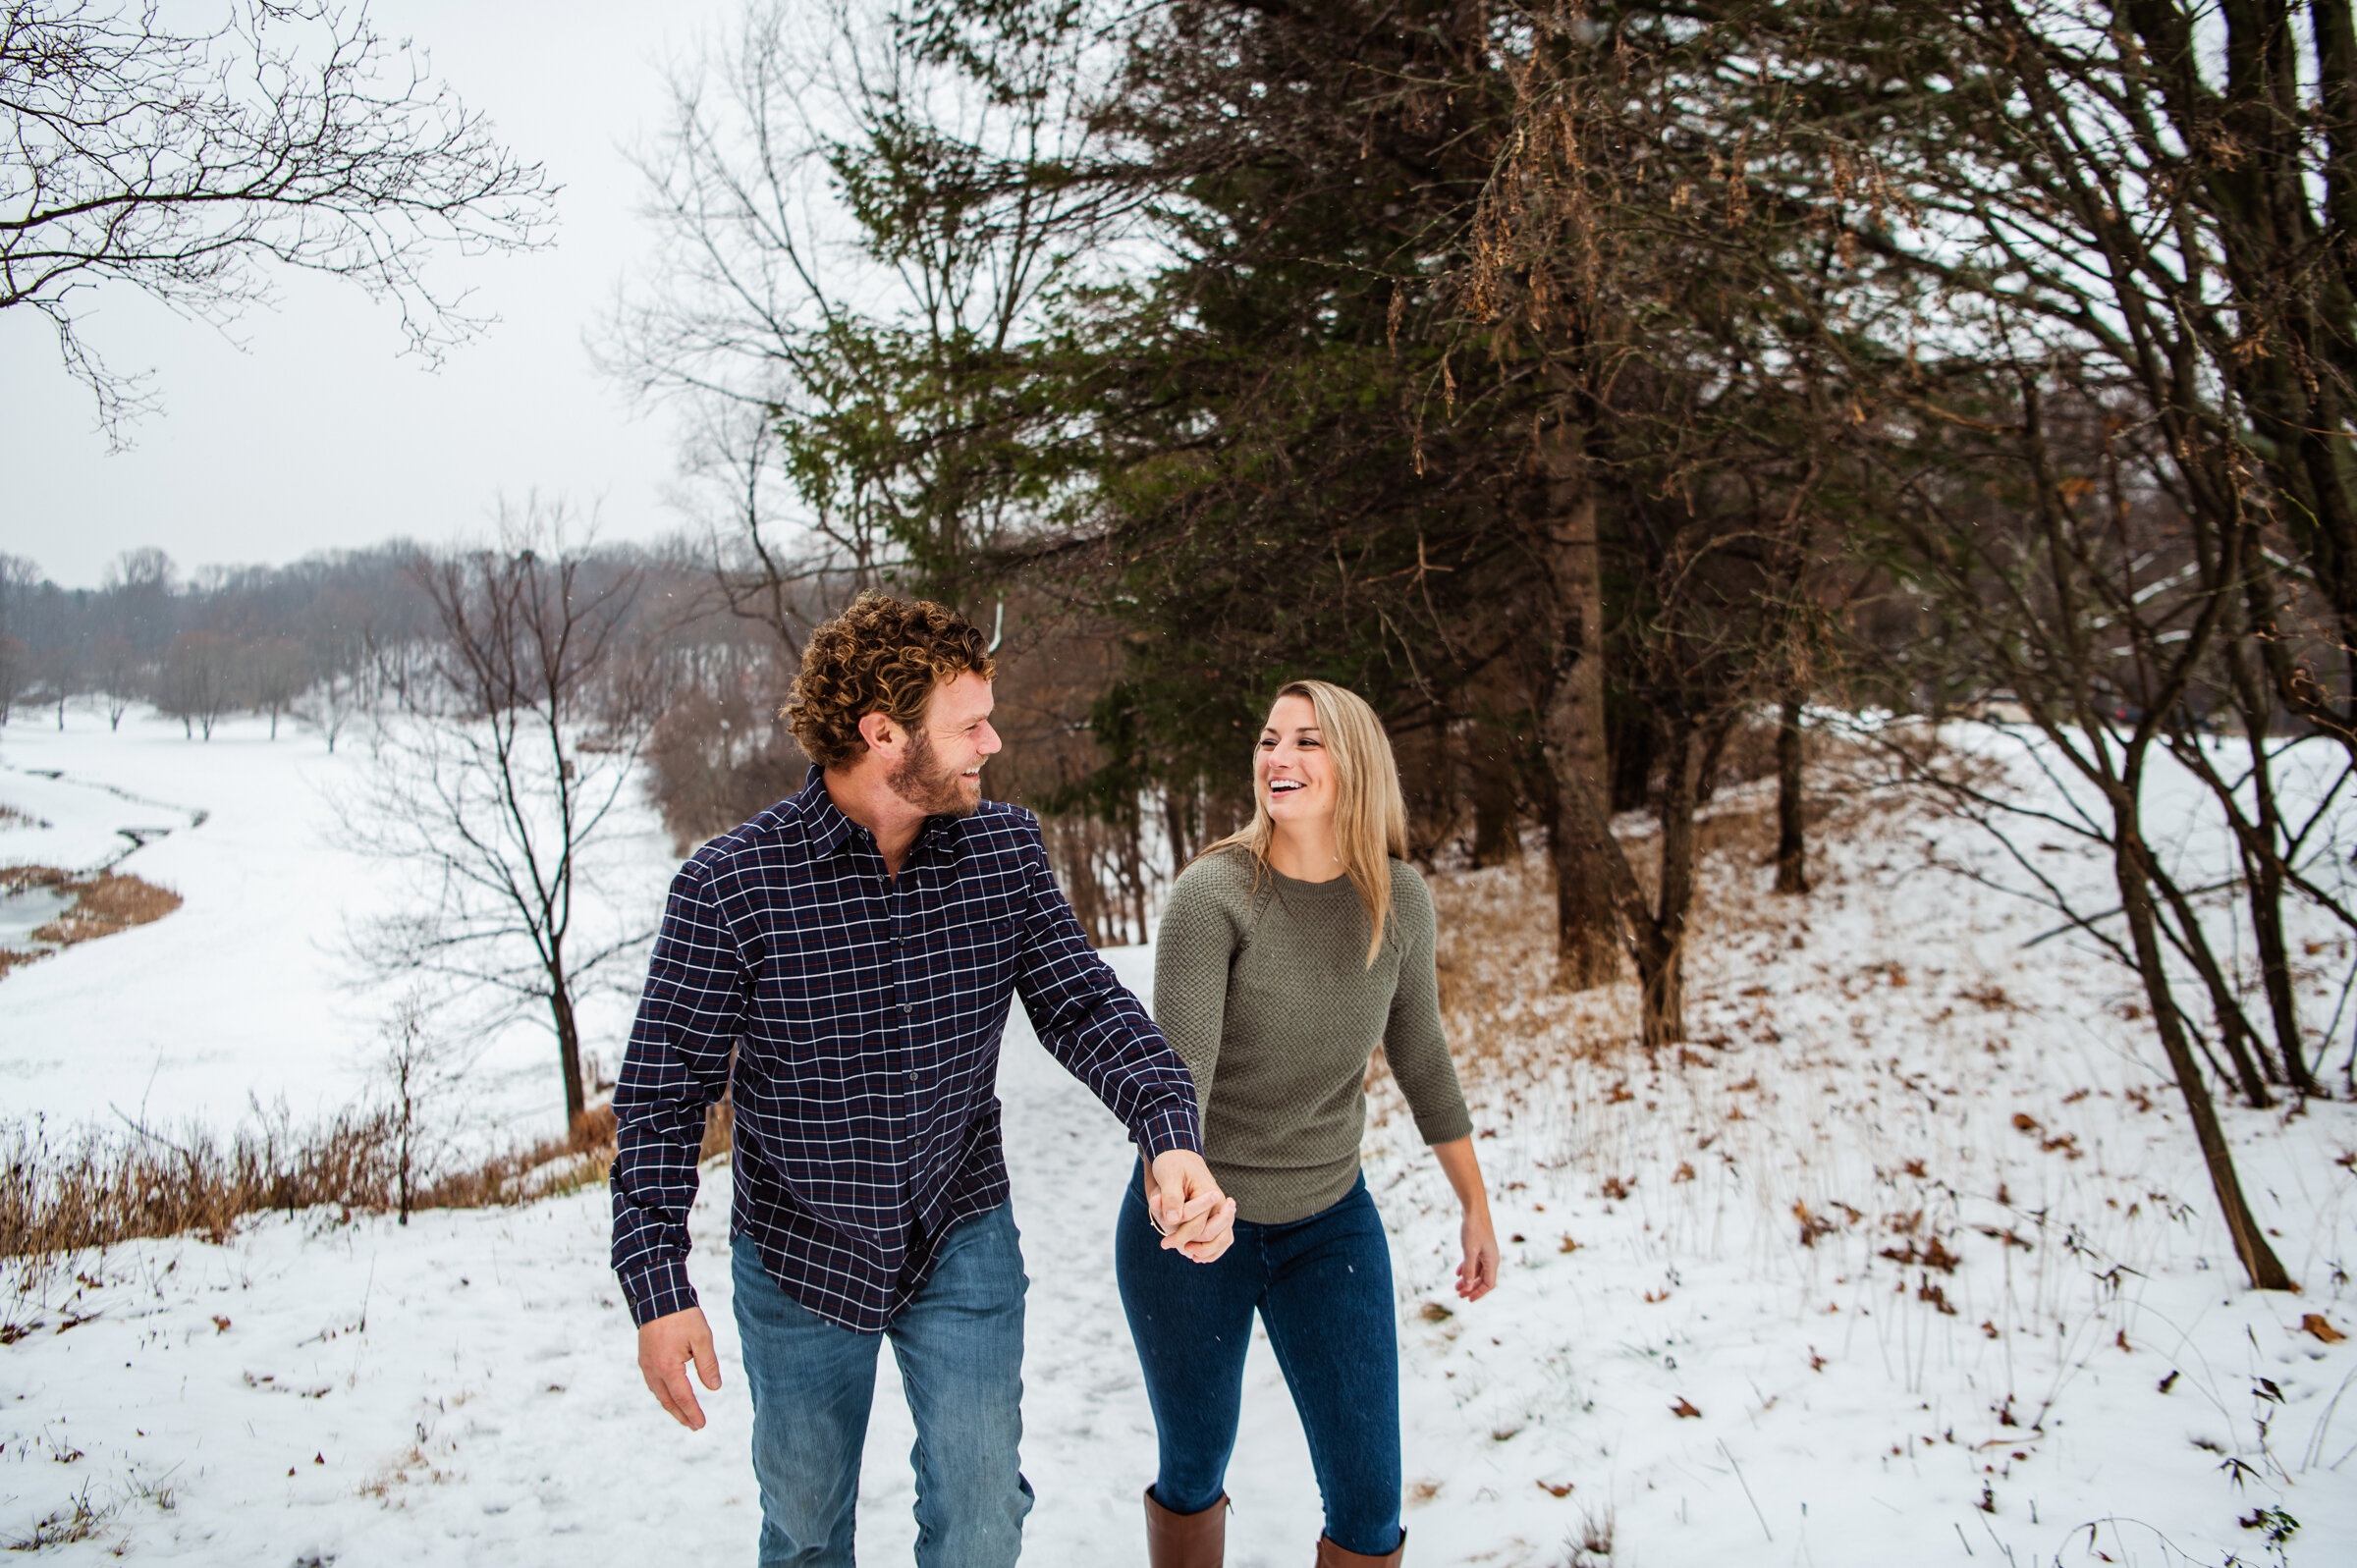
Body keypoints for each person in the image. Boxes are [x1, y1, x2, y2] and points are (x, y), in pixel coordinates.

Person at [610, 593, 1237, 1568]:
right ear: (882, 733)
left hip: (962, 1227)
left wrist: (1169, 1132)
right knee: (808, 1530)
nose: (994, 739)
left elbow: (1085, 1006)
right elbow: (661, 1097)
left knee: (984, 1516)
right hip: (800, 1251)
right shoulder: (733, 887)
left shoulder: (1003, 851)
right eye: (970, 724)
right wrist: (657, 1287)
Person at [1119, 678, 1500, 1568]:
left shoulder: (1398, 900)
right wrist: (1181, 1199)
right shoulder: (1213, 897)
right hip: (1195, 1227)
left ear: (1356, 764)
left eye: (1306, 741)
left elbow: (1423, 1055)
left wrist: (1474, 1203)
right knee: (1193, 1464)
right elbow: (1175, 1085)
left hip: (1330, 1221)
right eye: (1267, 739)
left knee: (1369, 1504)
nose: (1277, 758)